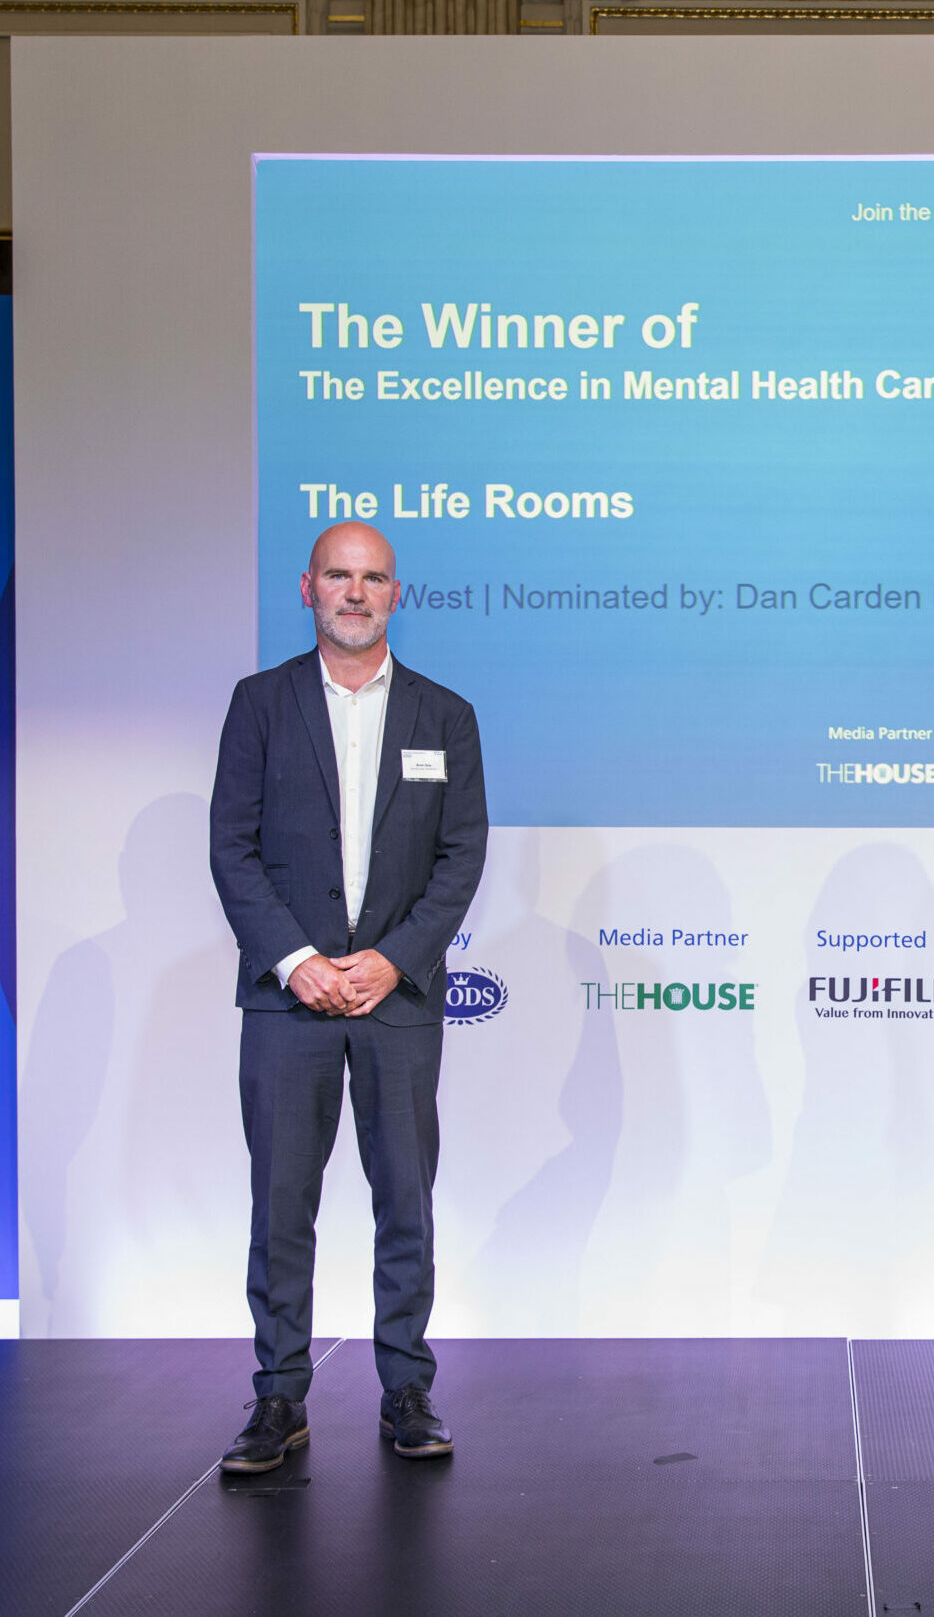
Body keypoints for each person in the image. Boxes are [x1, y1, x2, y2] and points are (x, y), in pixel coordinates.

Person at [209, 522, 487, 1473]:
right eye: (339, 575)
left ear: (395, 595)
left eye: (372, 578)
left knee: (404, 1200)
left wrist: (390, 959)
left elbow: (461, 859)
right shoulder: (259, 705)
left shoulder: (446, 714)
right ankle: (278, 1397)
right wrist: (297, 959)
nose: (355, 592)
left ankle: (406, 1388)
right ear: (307, 589)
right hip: (289, 1003)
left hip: (396, 1001)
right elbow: (231, 849)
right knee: (282, 1204)